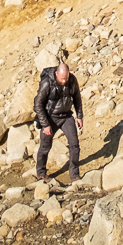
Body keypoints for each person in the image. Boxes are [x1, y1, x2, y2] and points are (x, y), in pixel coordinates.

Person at [33, 52, 84, 183]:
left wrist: (79, 116)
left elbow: (77, 98)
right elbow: (38, 104)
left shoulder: (72, 80)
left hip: (66, 116)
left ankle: (74, 174)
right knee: (45, 146)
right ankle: (41, 173)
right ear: (56, 73)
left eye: (65, 78)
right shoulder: (47, 83)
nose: (64, 81)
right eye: (61, 78)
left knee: (74, 145)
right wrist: (45, 124)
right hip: (50, 117)